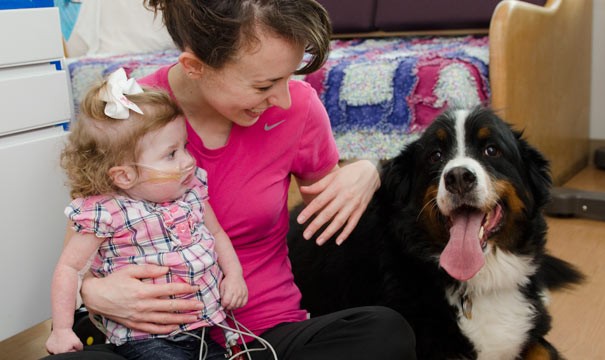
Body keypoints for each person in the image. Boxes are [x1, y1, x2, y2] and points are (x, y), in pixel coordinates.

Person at [45, 0, 416, 359]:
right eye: (263, 85)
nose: (284, 100)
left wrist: (371, 171)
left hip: (265, 335)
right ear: (194, 66)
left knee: (384, 331)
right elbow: (78, 255)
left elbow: (340, 227)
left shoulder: (300, 110)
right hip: (149, 342)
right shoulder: (128, 117)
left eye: (289, 77)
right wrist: (93, 293)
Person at [45, 69, 247, 359]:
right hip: (147, 340)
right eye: (171, 154)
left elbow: (216, 234)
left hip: (203, 331)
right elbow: (69, 268)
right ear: (124, 176)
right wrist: (62, 330)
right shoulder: (106, 213)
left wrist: (234, 276)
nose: (189, 160)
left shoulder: (191, 191)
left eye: (184, 146)